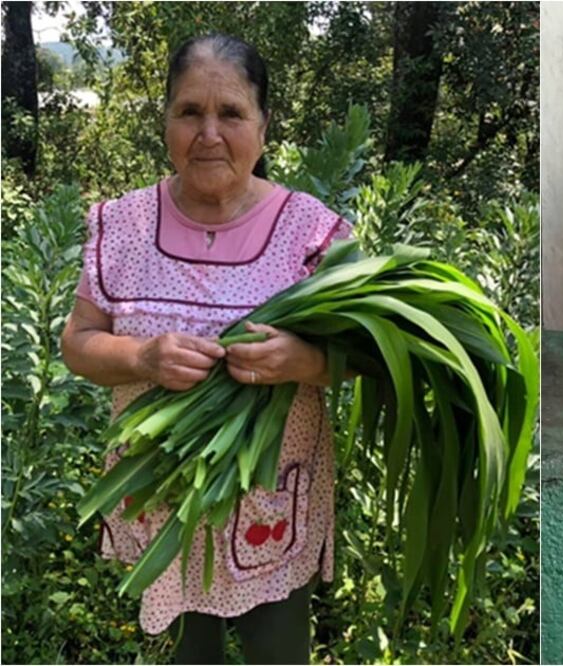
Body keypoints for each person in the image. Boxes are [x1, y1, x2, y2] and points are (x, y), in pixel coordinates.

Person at [60, 33, 351, 664]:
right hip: (161, 498)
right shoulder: (123, 224)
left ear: (264, 126)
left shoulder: (313, 233)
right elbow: (77, 344)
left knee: (278, 653)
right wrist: (141, 358)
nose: (209, 133)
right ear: (165, 121)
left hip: (271, 504)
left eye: (231, 113)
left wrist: (303, 361)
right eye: (190, 111)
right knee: (189, 656)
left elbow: (363, 358)